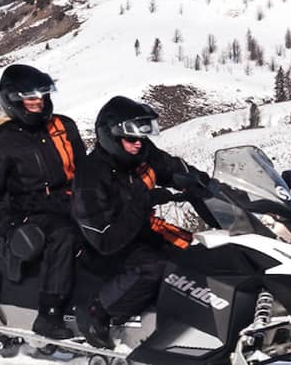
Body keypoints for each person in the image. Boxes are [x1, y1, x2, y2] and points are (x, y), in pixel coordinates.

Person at [72, 95, 204, 349]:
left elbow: (173, 168)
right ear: (111, 137)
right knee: (155, 266)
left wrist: (204, 184)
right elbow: (105, 240)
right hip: (101, 248)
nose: (138, 144)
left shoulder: (141, 154)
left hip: (138, 234)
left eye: (142, 138)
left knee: (196, 254)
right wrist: (145, 200)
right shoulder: (91, 175)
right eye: (131, 139)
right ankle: (97, 310)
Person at [0, 63, 85, 340]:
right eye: (31, 98)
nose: (38, 103)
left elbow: (86, 171)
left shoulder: (63, 127)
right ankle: (49, 314)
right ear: (13, 100)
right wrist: (11, 220)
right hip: (25, 216)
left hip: (69, 205)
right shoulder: (0, 142)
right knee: (64, 235)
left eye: (42, 96)